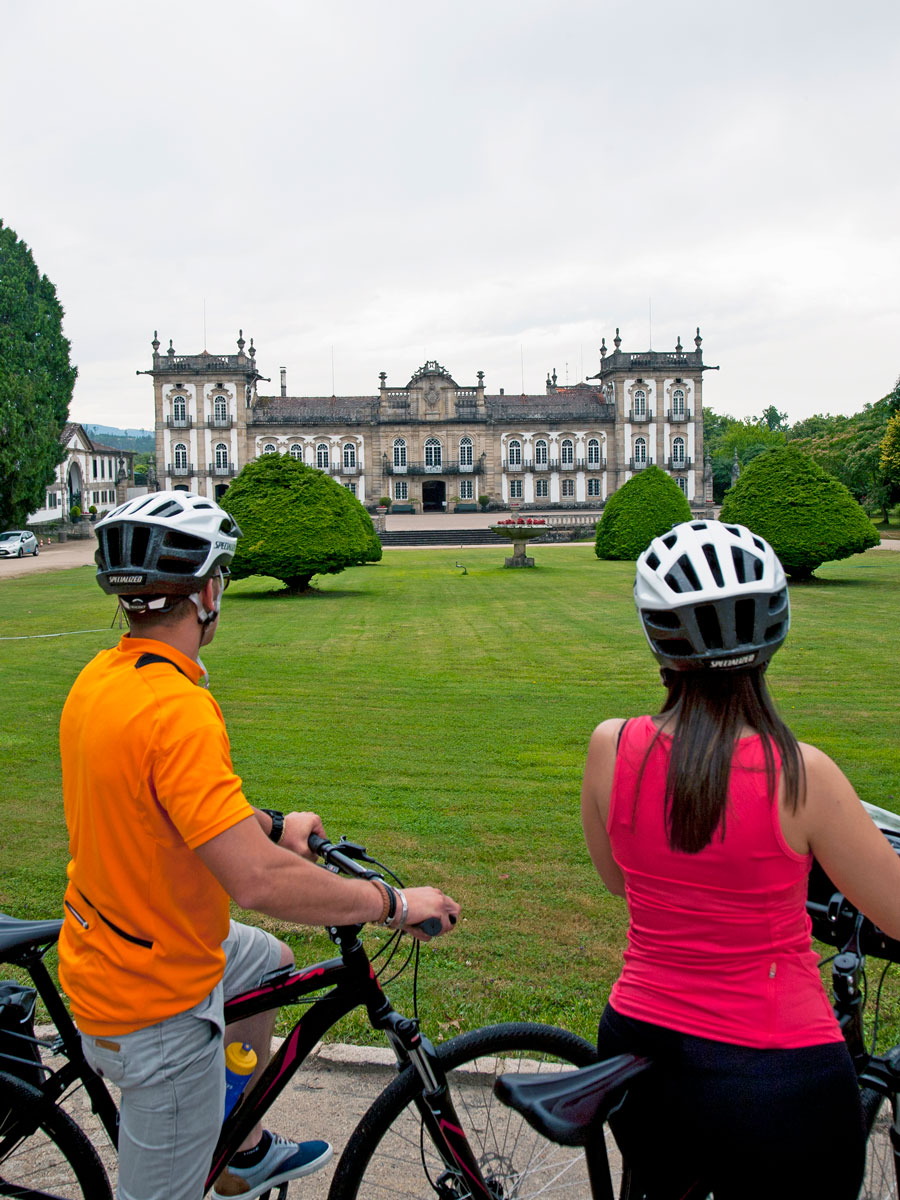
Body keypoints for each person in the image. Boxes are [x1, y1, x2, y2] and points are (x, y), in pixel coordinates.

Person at [57, 491, 460, 1200]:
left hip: (115, 941)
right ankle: (211, 1128)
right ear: (209, 591)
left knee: (267, 962)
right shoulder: (177, 709)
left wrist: (272, 826)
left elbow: (169, 805)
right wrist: (390, 903)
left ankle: (238, 1145)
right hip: (154, 1007)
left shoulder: (104, 681)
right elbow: (257, 883)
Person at [580, 519, 900, 1199]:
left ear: (658, 637)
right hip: (776, 1072)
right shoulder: (801, 774)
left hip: (638, 1043)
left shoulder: (613, 745)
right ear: (775, 632)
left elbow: (616, 878)